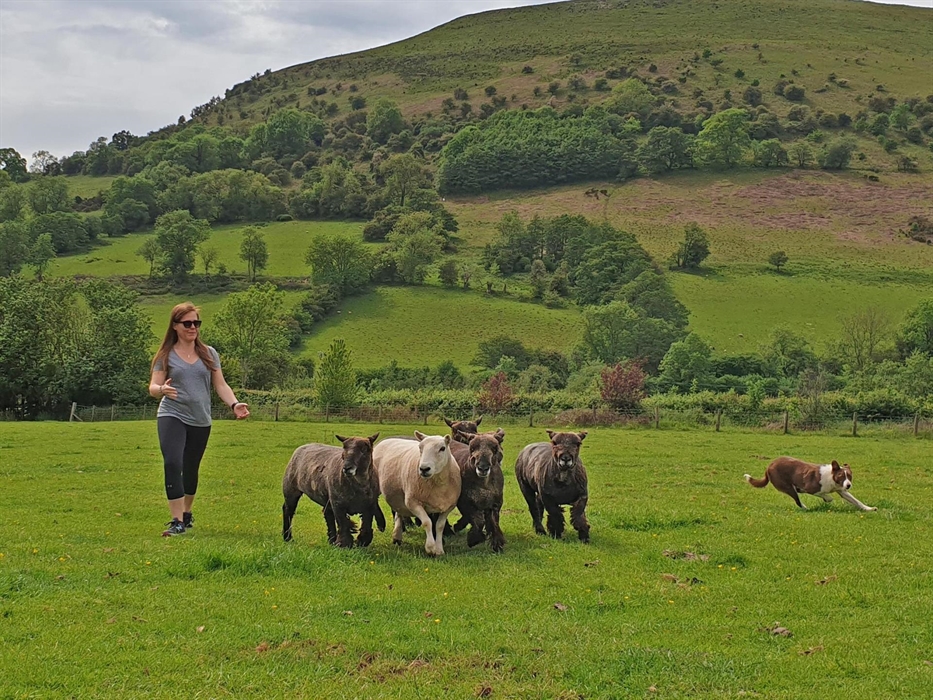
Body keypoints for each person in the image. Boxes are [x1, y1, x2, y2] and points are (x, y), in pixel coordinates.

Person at [149, 302, 249, 536]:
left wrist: (234, 404)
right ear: (175, 326)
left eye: (196, 323)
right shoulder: (165, 355)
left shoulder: (209, 353)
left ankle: (186, 513)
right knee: (173, 462)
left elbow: (220, 384)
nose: (193, 327)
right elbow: (153, 386)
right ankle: (176, 521)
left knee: (191, 468)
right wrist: (162, 389)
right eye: (187, 323)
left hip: (200, 419)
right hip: (172, 414)